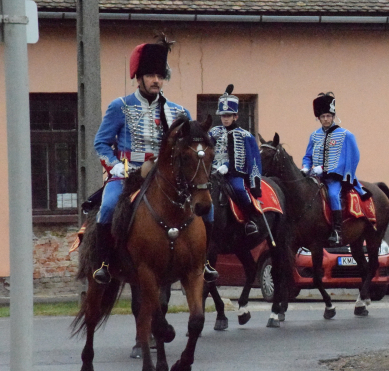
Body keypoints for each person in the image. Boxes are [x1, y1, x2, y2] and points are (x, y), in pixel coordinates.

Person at [92, 37, 216, 284]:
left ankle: (207, 262)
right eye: (150, 75)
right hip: (130, 173)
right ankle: (104, 263)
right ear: (139, 78)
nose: (156, 80)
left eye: (160, 75)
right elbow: (101, 143)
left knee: (208, 210)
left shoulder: (180, 112)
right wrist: (115, 165)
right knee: (106, 208)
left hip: (168, 175)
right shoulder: (120, 106)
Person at [301, 92, 365, 247]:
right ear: (319, 118)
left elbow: (352, 157)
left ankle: (337, 231)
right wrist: (306, 167)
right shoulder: (314, 136)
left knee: (333, 195)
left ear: (333, 116)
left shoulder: (345, 135)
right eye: (322, 117)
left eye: (328, 116)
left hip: (334, 177)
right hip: (314, 177)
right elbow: (307, 155)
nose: (325, 119)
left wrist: (324, 169)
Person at [208, 84, 263, 239]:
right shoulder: (213, 132)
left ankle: (250, 220)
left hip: (234, 173)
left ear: (235, 116)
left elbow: (251, 160)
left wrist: (228, 167)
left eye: (228, 115)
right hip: (212, 171)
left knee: (239, 189)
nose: (225, 118)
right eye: (223, 115)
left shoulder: (245, 135)